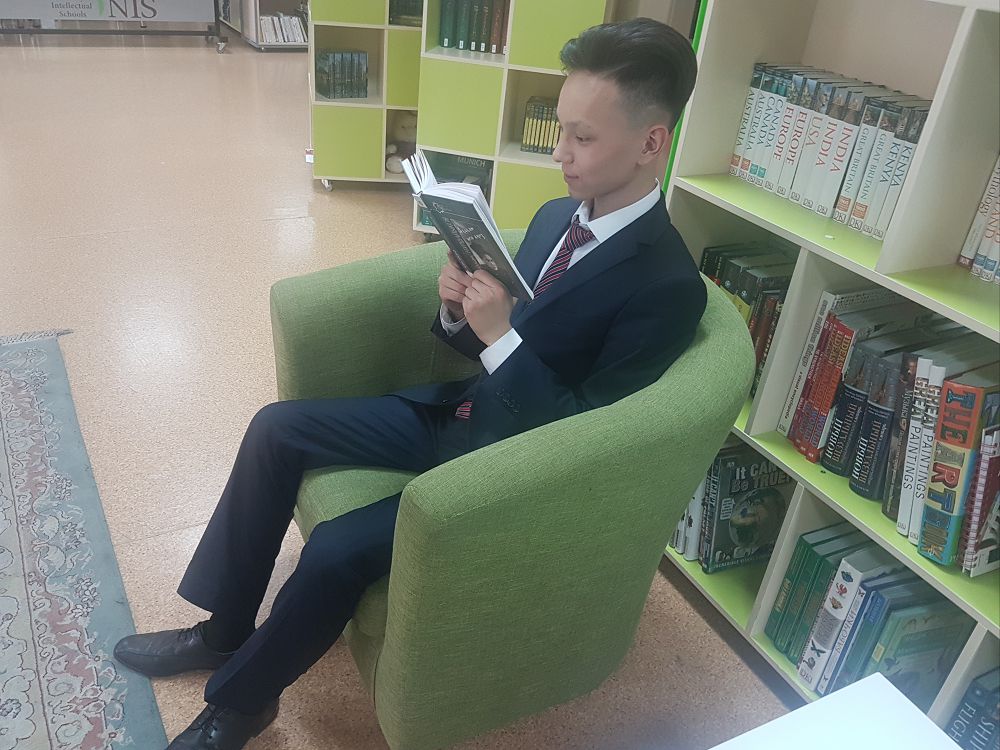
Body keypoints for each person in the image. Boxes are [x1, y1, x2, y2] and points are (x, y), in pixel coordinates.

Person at [114, 17, 705, 750]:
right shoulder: (557, 216)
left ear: (651, 142)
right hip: (463, 414)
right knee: (276, 428)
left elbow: (592, 439)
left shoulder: (667, 286)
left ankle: (241, 705)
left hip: (511, 474)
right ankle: (224, 630)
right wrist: (457, 308)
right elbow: (490, 342)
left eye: (583, 138)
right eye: (561, 129)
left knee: (336, 548)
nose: (560, 153)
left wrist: (501, 335)